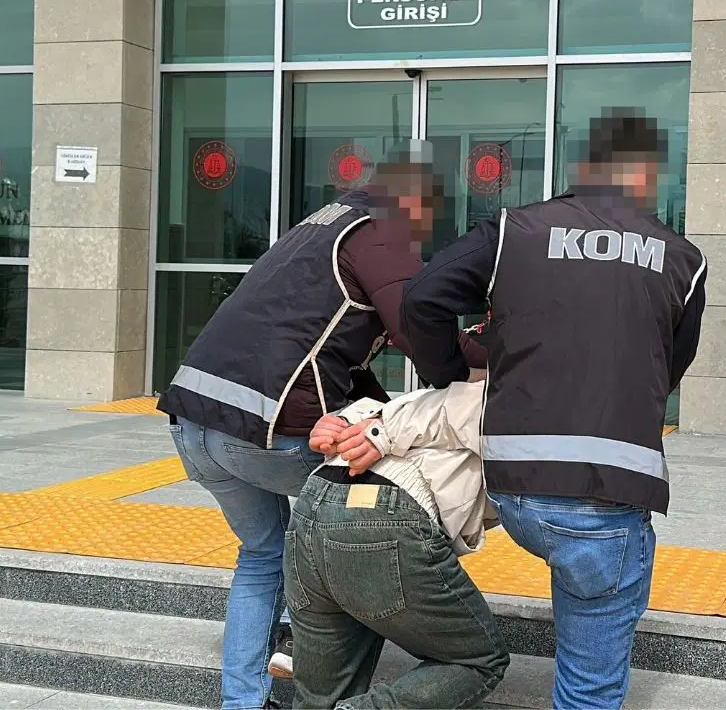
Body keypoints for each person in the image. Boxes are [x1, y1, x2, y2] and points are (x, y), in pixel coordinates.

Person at [156, 140, 487, 710]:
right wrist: (492, 355)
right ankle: (302, 637)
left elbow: (332, 352)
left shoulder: (320, 225)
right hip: (265, 429)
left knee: (263, 553)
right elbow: (418, 330)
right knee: (377, 515)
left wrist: (382, 412)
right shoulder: (380, 230)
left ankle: (243, 700)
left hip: (192, 421)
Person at [396, 107, 708, 709]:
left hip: (516, 489)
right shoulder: (682, 259)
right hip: (608, 496)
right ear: (646, 174)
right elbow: (670, 367)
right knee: (589, 688)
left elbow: (422, 298)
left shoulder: (512, 230)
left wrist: (449, 373)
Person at [281, 370, 507, 709]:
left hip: (313, 504)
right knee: (478, 661)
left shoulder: (419, 397)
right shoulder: (499, 394)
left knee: (319, 698)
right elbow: (467, 406)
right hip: (384, 516)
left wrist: (343, 421)